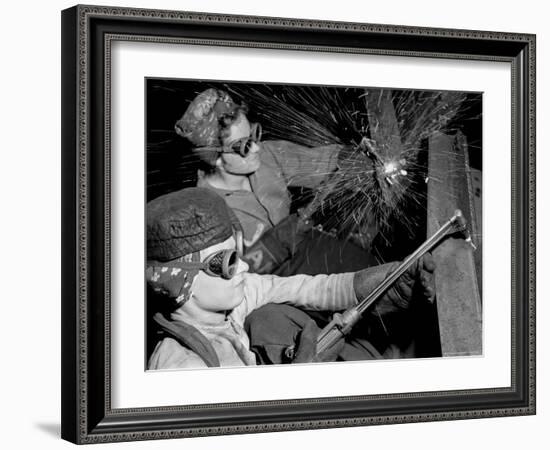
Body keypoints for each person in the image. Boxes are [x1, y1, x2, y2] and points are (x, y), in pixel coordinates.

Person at [146, 188, 435, 370]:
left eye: (238, 252)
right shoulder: (182, 367)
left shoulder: (231, 306)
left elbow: (307, 288)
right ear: (179, 283)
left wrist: (392, 281)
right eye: (228, 262)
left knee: (270, 318)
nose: (245, 266)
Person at [174, 88, 376, 276]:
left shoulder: (267, 156)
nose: (256, 149)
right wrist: (272, 245)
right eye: (244, 146)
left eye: (253, 134)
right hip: (265, 294)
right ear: (216, 158)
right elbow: (230, 284)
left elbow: (318, 162)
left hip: (304, 257)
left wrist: (352, 156)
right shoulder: (205, 213)